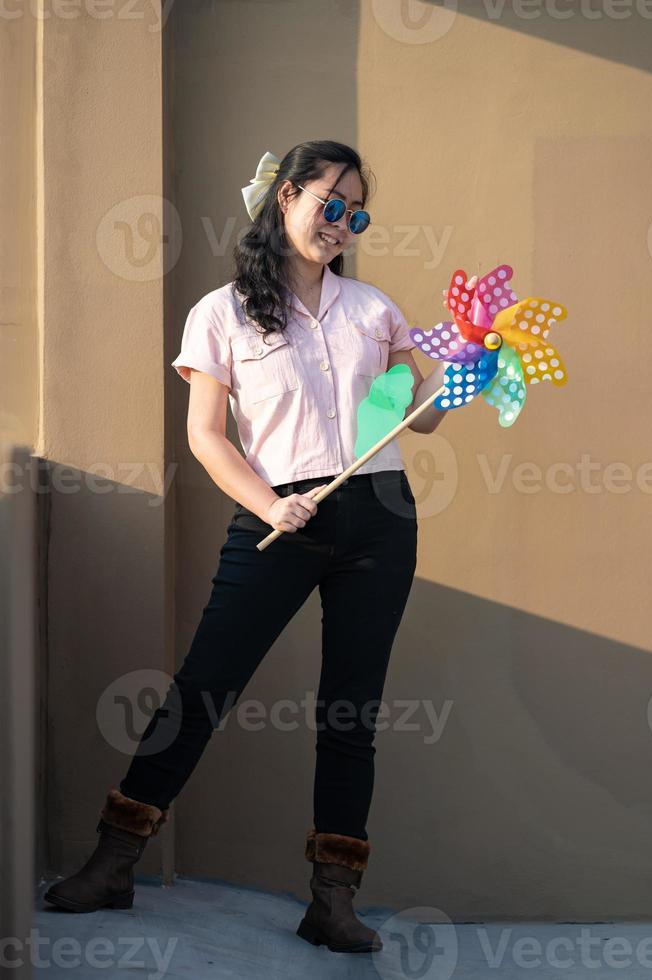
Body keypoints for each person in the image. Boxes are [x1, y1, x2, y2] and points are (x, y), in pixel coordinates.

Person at [43, 140, 462, 956]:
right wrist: (273, 502)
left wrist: (461, 371)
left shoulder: (375, 309)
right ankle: (114, 861)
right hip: (277, 517)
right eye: (328, 204)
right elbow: (206, 437)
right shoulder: (223, 311)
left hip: (378, 514)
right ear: (285, 199)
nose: (341, 223)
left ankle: (333, 901)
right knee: (202, 688)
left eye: (356, 212)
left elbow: (426, 416)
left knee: (351, 712)